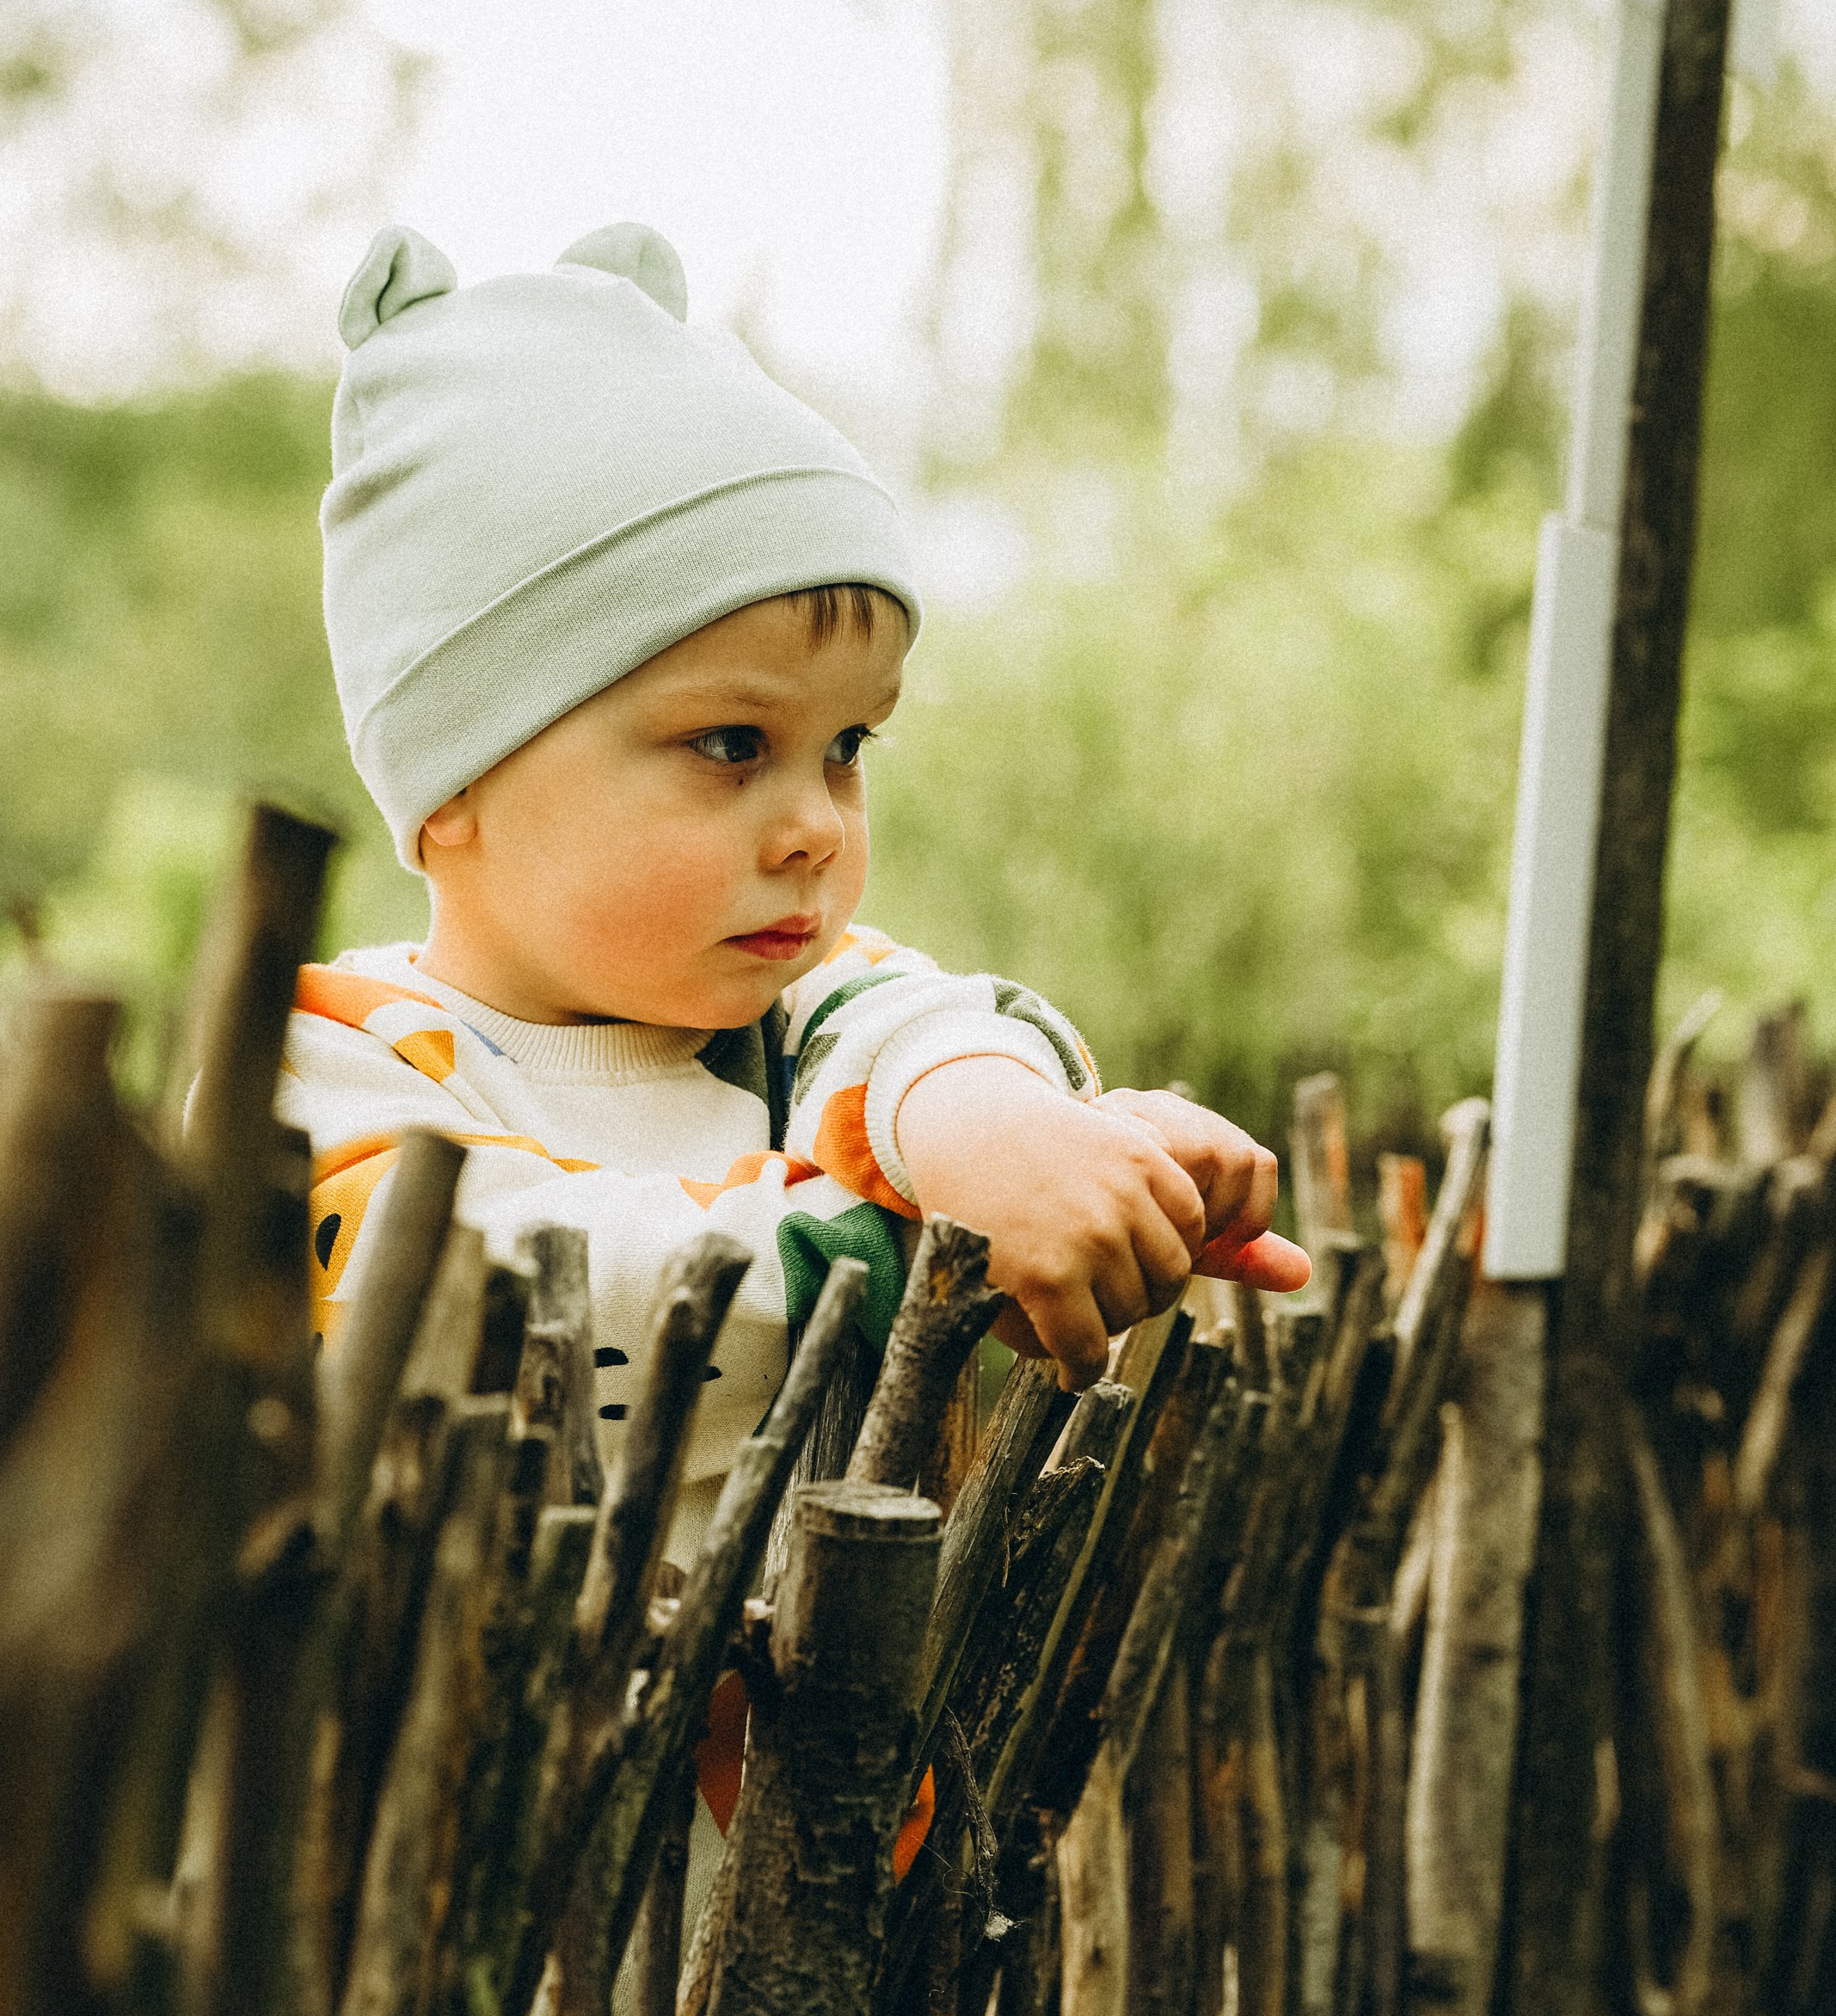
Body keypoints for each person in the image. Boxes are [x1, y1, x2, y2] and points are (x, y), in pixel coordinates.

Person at [281, 220, 1308, 1573]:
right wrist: (930, 1250)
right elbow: (537, 1293)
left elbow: (938, 1028)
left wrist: (1016, 1138)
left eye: (849, 750)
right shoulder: (330, 1071)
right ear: (459, 777)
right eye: (731, 748)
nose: (816, 827)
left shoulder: (797, 1019)